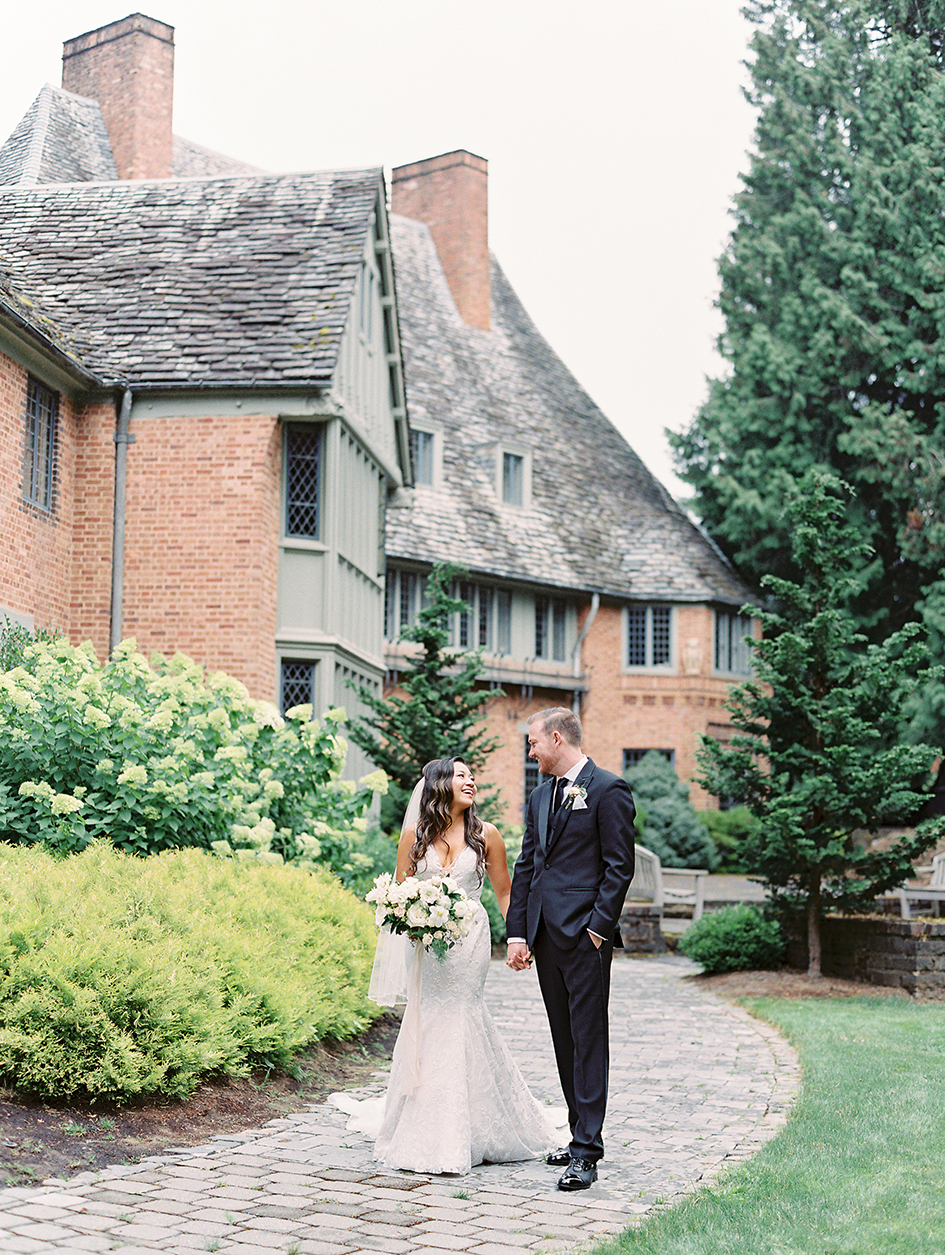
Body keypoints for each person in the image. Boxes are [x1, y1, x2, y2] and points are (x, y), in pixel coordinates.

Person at [340, 756, 561, 1175]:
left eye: (472, 775)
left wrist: (519, 939)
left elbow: (505, 893)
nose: (471, 781)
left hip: (469, 940)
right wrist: (413, 914)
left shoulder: (487, 835)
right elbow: (398, 894)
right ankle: (424, 1117)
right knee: (429, 1017)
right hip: (424, 943)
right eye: (461, 775)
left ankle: (468, 1124)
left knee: (461, 1013)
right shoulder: (414, 836)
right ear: (439, 784)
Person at [506, 708, 635, 1191]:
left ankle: (587, 1151)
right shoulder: (541, 795)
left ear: (556, 738)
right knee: (564, 1040)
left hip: (585, 940)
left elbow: (619, 867)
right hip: (544, 936)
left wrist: (597, 931)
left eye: (534, 742)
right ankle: (577, 1131)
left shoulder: (608, 789)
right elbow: (526, 867)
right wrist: (518, 933)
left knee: (587, 1040)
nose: (531, 751)